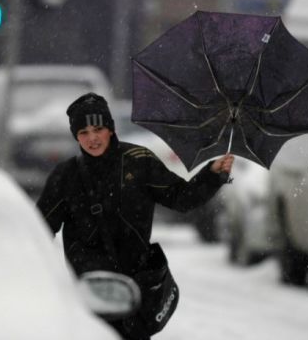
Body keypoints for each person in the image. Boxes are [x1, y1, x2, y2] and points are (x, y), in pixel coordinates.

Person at [36, 92, 234, 340]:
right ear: (76, 136)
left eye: (98, 128)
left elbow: (180, 197)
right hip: (91, 292)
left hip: (136, 289)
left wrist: (212, 175)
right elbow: (38, 230)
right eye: (83, 132)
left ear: (110, 128)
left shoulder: (139, 162)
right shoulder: (66, 176)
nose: (92, 138)